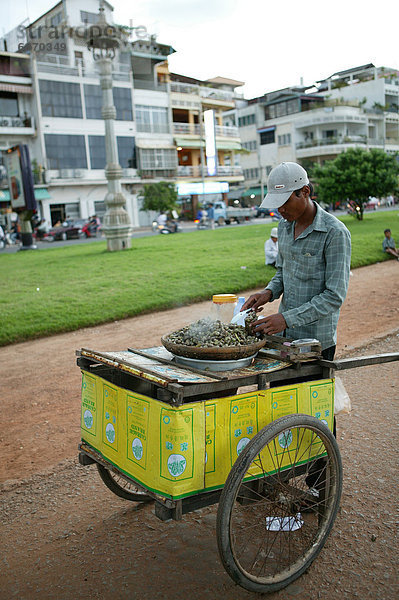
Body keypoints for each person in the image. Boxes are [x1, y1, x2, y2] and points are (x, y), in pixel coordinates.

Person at [242, 161, 351, 363]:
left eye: (285, 202)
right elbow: (283, 272)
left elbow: (334, 296)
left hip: (315, 342)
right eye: (277, 204)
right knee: (281, 393)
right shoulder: (283, 228)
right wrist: (268, 292)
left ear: (305, 191)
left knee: (308, 393)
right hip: (284, 339)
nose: (280, 209)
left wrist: (286, 319)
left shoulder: (334, 233)